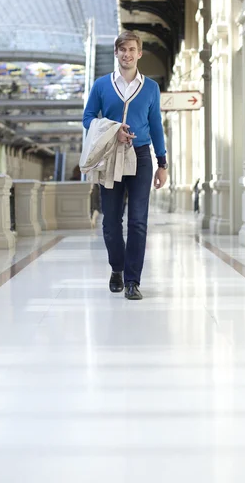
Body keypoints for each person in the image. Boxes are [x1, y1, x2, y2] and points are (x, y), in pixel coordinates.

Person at [82, 31, 168, 300]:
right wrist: (112, 130)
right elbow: (87, 118)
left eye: (132, 50)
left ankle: (133, 280)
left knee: (138, 221)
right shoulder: (101, 86)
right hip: (111, 156)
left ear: (139, 53)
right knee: (111, 221)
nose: (127, 54)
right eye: (122, 50)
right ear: (116, 54)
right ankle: (116, 268)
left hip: (141, 156)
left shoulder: (151, 88)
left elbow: (156, 127)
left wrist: (162, 163)